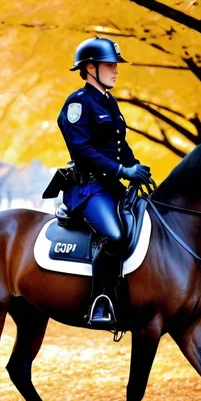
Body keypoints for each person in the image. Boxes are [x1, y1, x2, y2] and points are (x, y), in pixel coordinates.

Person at [57, 36, 151, 326]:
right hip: (87, 189)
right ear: (90, 68)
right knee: (114, 236)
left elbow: (118, 145)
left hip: (109, 187)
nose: (115, 70)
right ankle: (101, 301)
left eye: (115, 65)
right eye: (110, 65)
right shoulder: (78, 103)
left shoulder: (109, 102)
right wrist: (123, 172)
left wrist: (136, 167)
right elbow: (83, 151)